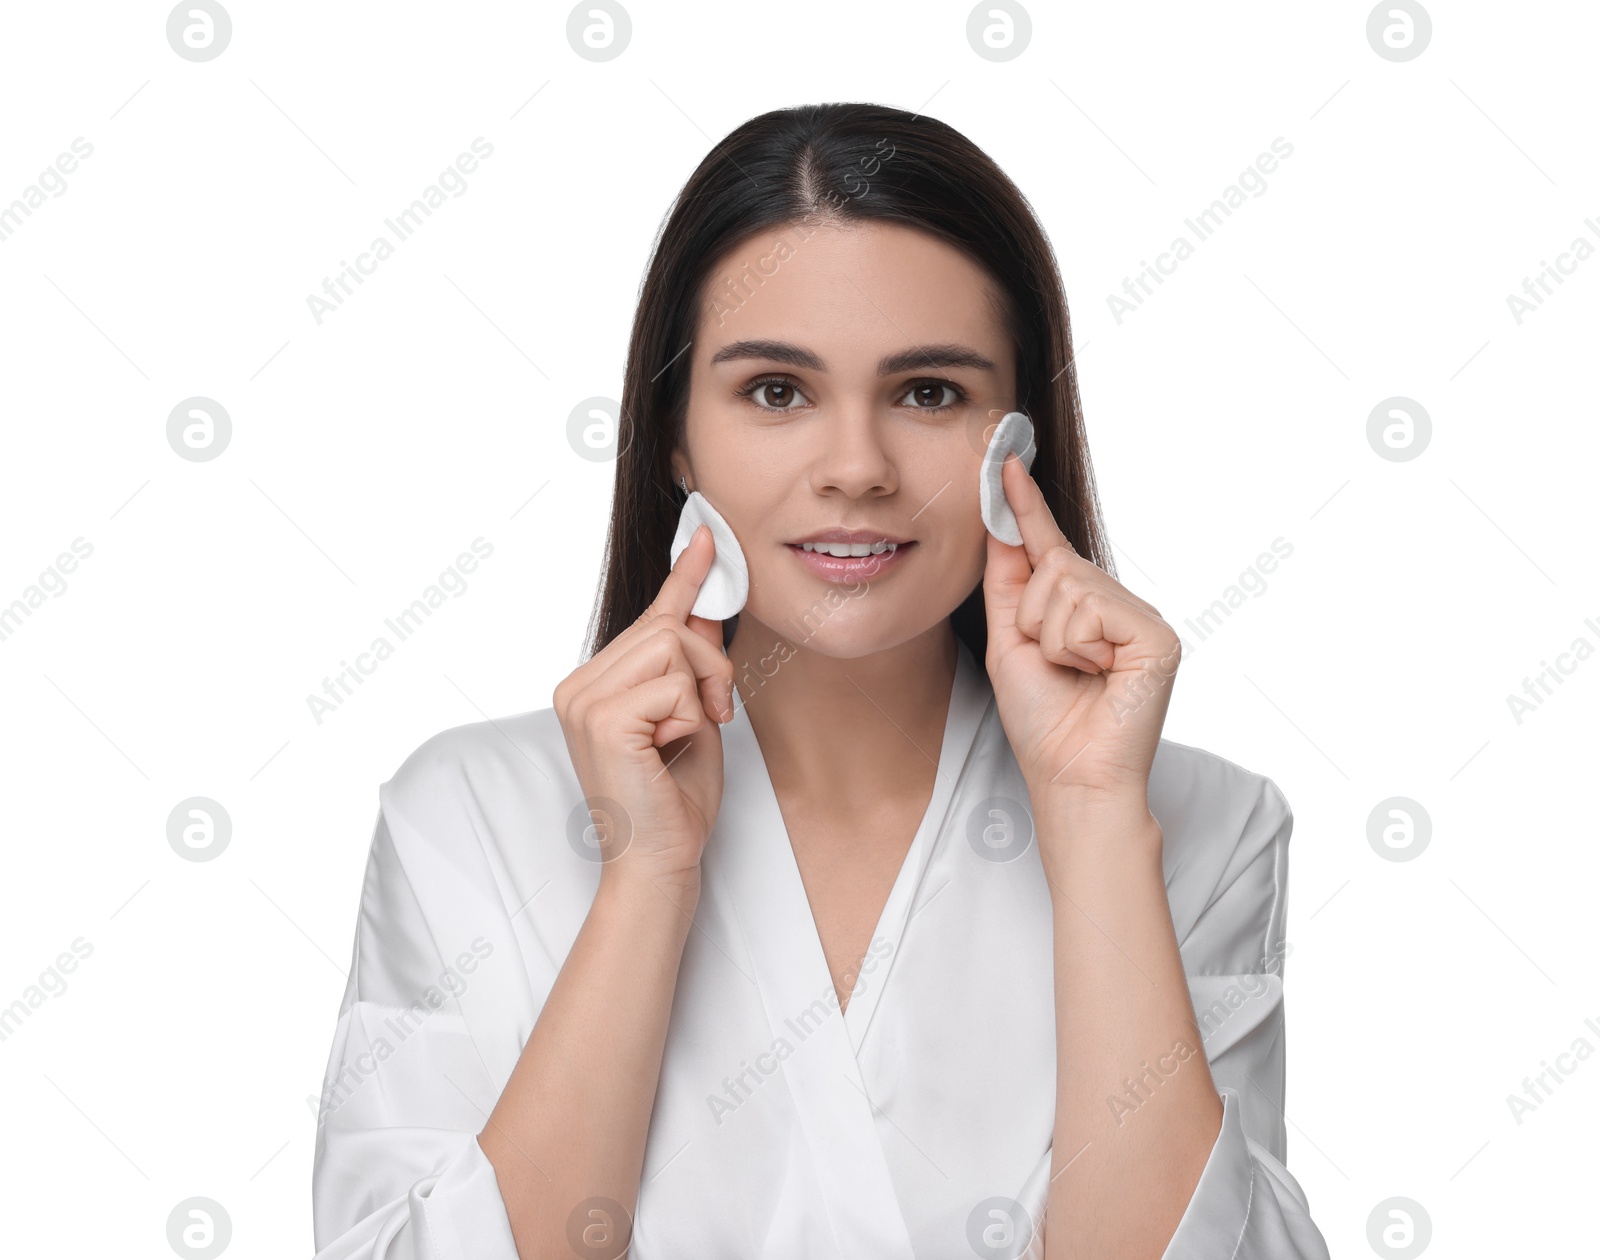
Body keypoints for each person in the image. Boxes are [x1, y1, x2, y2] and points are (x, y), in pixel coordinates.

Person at [311, 101, 1332, 1259]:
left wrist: (1094, 818)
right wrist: (649, 875)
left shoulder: (1202, 824)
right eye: (778, 392)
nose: (856, 469)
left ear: (1020, 442)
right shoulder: (464, 813)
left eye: (929, 393)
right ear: (676, 437)